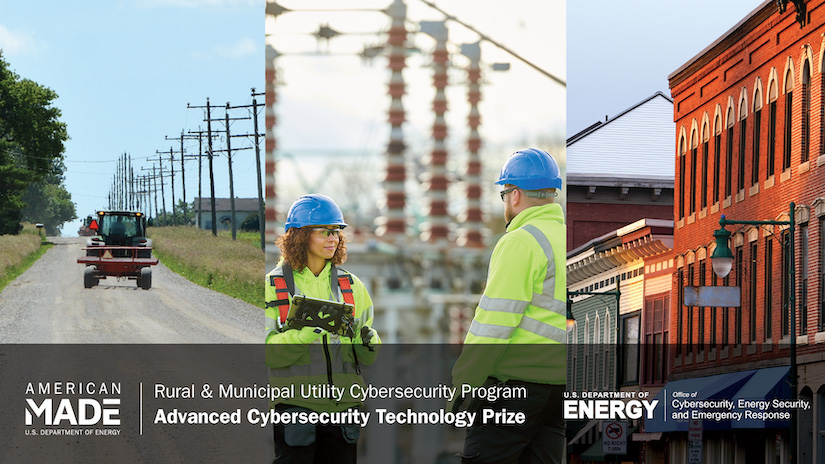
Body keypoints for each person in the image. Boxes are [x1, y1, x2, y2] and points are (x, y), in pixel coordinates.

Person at [451, 148, 566, 464]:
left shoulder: (521, 241)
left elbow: (493, 324)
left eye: (504, 195)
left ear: (515, 196)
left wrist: (463, 385)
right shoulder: (563, 238)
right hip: (557, 394)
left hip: (512, 392)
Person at [265, 194, 380, 464]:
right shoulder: (273, 286)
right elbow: (267, 353)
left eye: (337, 231)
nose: (334, 238)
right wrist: (305, 335)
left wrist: (369, 340)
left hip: (344, 414)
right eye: (325, 232)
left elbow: (367, 354)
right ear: (301, 235)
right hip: (296, 411)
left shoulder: (352, 286)